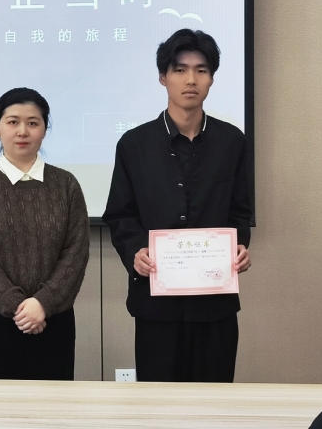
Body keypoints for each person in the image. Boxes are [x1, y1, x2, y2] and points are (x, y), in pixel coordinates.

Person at [102, 28, 252, 383]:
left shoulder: (232, 141)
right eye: (180, 70)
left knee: (214, 400)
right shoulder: (134, 144)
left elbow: (240, 211)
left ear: (212, 78)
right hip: (156, 304)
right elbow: (120, 214)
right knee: (159, 403)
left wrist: (240, 246)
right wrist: (136, 252)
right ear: (163, 77)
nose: (191, 80)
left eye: (201, 70)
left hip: (214, 303)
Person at [0, 87, 90, 381]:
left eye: (33, 123)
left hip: (52, 320)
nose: (22, 131)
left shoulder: (66, 185)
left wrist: (43, 303)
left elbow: (76, 252)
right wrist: (17, 306)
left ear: (44, 129)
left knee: (53, 405)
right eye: (13, 122)